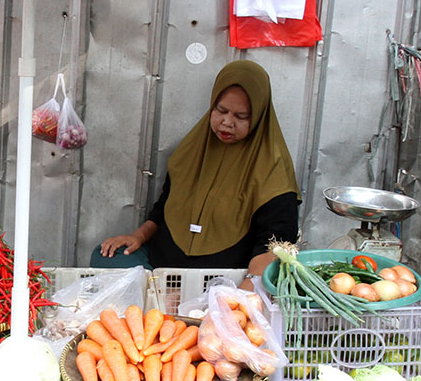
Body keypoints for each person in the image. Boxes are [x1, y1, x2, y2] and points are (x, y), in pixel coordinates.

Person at [92, 60, 300, 288]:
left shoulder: (272, 166)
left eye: (241, 116)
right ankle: (155, 293)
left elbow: (276, 243)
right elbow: (163, 208)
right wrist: (138, 237)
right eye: (221, 111)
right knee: (106, 256)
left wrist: (242, 295)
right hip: (163, 270)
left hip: (221, 281)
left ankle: (160, 297)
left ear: (259, 116)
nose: (227, 122)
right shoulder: (193, 149)